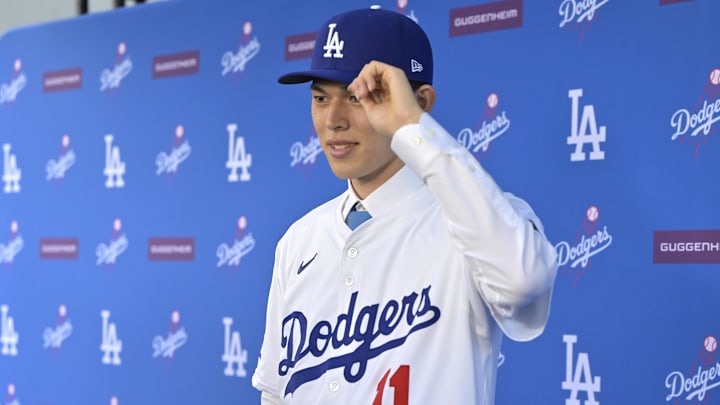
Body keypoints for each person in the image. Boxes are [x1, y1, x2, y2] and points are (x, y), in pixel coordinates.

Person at [252, 7, 558, 405]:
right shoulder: (298, 240)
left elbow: (524, 287)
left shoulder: (477, 222)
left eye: (357, 97)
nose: (333, 120)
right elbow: (277, 392)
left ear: (420, 102)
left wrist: (413, 130)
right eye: (320, 98)